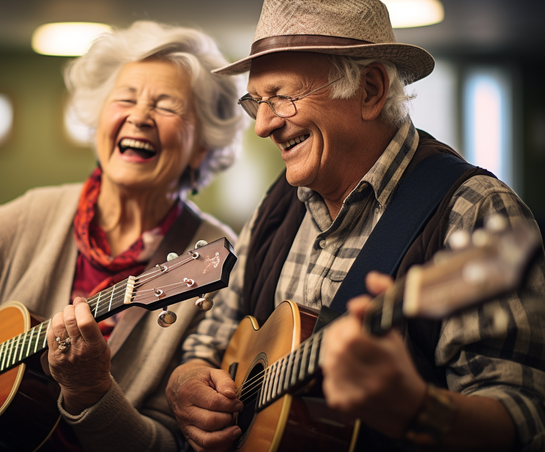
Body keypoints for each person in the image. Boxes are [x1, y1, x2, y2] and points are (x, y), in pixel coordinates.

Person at [0, 21, 246, 452]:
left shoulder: (215, 261)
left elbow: (170, 446)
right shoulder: (37, 212)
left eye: (167, 106)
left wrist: (91, 390)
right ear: (98, 120)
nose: (139, 116)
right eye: (125, 98)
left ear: (203, 143)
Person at [165, 1, 545, 451]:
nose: (262, 126)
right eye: (256, 102)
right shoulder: (277, 206)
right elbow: (208, 342)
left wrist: (418, 408)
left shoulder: (475, 211)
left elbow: (526, 415)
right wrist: (186, 382)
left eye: (281, 98)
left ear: (369, 90)